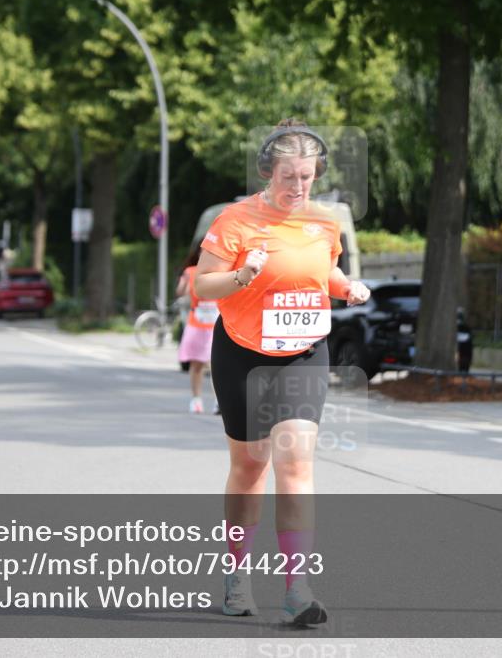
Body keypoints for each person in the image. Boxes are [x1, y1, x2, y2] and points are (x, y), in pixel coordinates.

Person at [195, 119, 370, 626]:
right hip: (243, 353)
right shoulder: (235, 220)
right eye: (288, 177)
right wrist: (241, 275)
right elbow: (204, 286)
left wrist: (346, 288)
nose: (297, 188)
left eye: (307, 177)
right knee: (252, 468)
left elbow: (324, 272)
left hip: (303, 352)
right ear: (268, 171)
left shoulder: (324, 223)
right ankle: (237, 575)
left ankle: (297, 587)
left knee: (296, 465)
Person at [175, 244, 219, 414]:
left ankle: (219, 401)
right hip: (197, 322)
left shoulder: (221, 271)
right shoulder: (191, 271)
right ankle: (196, 399)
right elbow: (181, 292)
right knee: (197, 363)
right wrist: (186, 282)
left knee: (216, 365)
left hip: (215, 323)